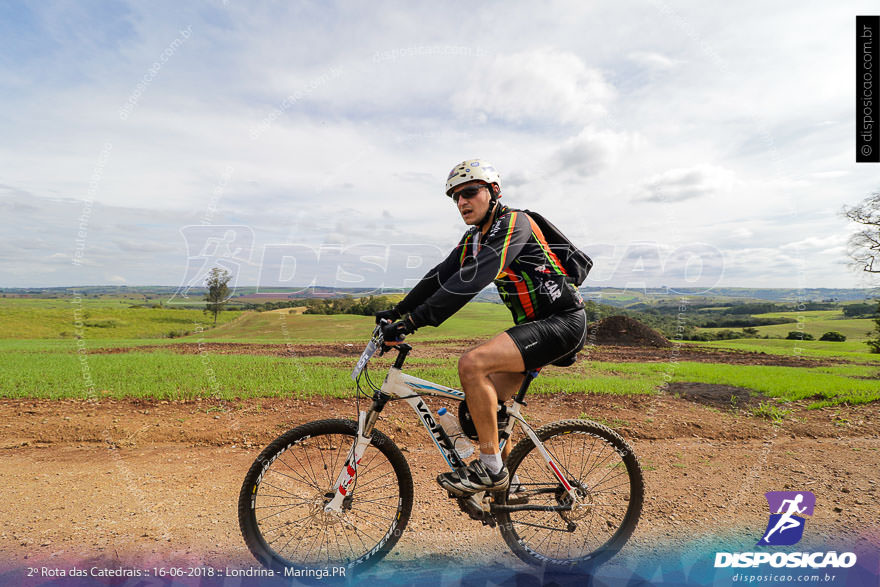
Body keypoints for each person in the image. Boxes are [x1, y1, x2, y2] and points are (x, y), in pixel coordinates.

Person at [377, 159, 588, 496]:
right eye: (455, 197)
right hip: (537, 326)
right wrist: (398, 311)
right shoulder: (475, 238)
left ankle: (490, 468)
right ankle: (507, 489)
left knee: (473, 364)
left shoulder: (516, 223)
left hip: (562, 322)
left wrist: (413, 322)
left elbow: (472, 278)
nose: (462, 202)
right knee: (480, 411)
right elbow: (441, 275)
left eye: (470, 192)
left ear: (493, 192)